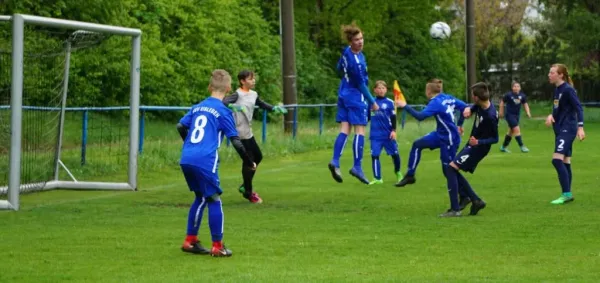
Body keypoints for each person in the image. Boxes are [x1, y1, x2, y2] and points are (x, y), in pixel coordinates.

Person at [177, 69, 256, 257]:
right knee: (214, 199)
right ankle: (217, 246)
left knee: (200, 197)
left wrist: (189, 144)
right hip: (205, 159)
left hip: (187, 157)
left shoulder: (198, 107)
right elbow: (236, 140)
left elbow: (180, 125)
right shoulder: (223, 111)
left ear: (209, 87)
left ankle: (190, 241)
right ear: (229, 88)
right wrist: (248, 160)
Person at [395, 79, 470, 216]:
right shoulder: (448, 98)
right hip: (440, 134)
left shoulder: (435, 102)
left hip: (449, 138)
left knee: (449, 170)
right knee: (417, 144)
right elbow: (466, 108)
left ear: (428, 91)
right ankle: (410, 175)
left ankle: (457, 206)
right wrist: (460, 124)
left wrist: (404, 106)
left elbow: (420, 116)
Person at [222, 70, 287, 204]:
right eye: (250, 79)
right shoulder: (237, 94)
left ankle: (245, 186)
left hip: (248, 132)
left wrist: (274, 108)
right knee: (249, 161)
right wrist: (234, 106)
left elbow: (262, 104)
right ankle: (248, 192)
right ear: (242, 81)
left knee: (258, 157)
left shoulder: (253, 94)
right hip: (239, 133)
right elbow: (223, 102)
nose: (254, 81)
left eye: (253, 78)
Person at [328, 22, 379, 185]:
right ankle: (357, 166)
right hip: (356, 97)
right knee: (360, 130)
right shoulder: (356, 61)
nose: (360, 41)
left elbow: (338, 68)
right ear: (351, 41)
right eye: (357, 39)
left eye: (362, 38)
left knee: (345, 128)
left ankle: (335, 161)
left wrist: (346, 78)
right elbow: (361, 84)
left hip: (343, 93)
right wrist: (373, 102)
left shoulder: (346, 52)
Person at [450, 82, 499, 217]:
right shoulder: (480, 105)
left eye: (472, 95)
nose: (471, 97)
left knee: (451, 168)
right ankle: (468, 197)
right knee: (451, 168)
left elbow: (495, 138)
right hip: (471, 144)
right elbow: (473, 107)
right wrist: (470, 109)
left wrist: (478, 142)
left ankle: (474, 199)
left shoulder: (490, 116)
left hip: (479, 148)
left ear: (476, 97)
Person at [545, 64, 585, 204]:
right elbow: (559, 108)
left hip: (568, 129)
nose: (549, 75)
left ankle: (566, 194)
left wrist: (580, 127)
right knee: (566, 161)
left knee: (556, 160)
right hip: (560, 129)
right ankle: (568, 193)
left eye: (552, 73)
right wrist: (551, 115)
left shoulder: (568, 90)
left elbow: (578, 108)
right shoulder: (557, 90)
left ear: (561, 75)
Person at [368, 80, 402, 185]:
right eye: (379, 88)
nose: (381, 90)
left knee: (395, 154)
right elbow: (367, 118)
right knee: (374, 155)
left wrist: (394, 131)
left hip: (388, 134)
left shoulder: (390, 103)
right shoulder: (371, 102)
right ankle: (377, 178)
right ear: (374, 90)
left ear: (386, 90)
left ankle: (398, 172)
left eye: (383, 88)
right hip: (375, 135)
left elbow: (393, 118)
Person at [499, 81, 531, 153]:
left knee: (511, 131)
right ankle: (522, 146)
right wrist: (501, 112)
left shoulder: (522, 96)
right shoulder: (508, 95)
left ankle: (503, 147)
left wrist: (528, 112)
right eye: (514, 86)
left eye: (518, 86)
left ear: (520, 88)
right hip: (509, 115)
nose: (516, 88)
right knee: (516, 129)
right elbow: (502, 102)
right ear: (512, 88)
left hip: (517, 115)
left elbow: (525, 104)